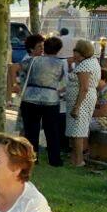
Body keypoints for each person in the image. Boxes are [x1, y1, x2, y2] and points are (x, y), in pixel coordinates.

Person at [17, 36, 68, 167]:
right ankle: (54, 159)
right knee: (52, 131)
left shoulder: (33, 60)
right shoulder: (62, 63)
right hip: (51, 99)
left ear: (45, 47)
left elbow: (16, 68)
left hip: (30, 98)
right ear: (58, 50)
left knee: (31, 131)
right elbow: (64, 82)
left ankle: (33, 158)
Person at [65, 39, 101, 167]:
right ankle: (74, 159)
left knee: (78, 131)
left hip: (82, 102)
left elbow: (84, 88)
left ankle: (78, 161)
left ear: (82, 53)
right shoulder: (91, 62)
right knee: (76, 131)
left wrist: (76, 107)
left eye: (76, 53)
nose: (74, 55)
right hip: (84, 99)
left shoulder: (85, 66)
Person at [9, 33, 44, 98]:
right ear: (31, 49)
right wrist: (15, 85)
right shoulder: (29, 60)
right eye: (39, 46)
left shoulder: (37, 58)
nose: (42, 48)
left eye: (43, 46)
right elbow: (13, 67)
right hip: (28, 96)